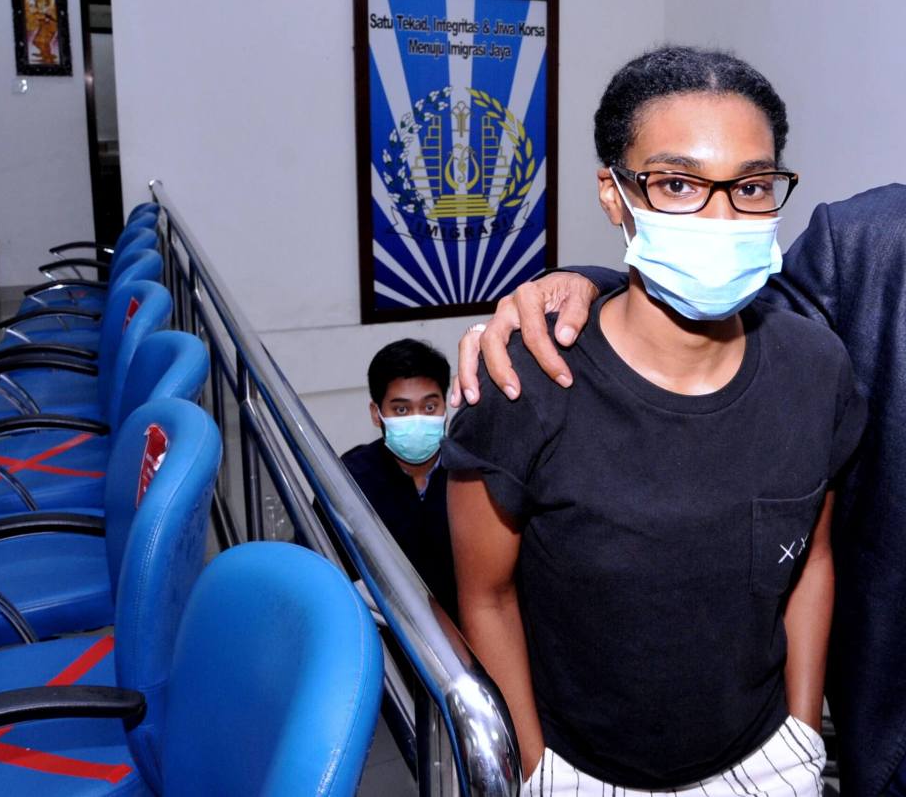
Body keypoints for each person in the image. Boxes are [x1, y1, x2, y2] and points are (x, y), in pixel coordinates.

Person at [443, 46, 866, 794]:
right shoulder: (525, 381)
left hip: (765, 756)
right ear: (615, 195)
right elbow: (486, 593)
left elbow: (813, 559)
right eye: (677, 184)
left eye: (752, 186)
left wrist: (801, 733)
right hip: (581, 768)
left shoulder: (815, 367)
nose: (721, 215)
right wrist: (537, 769)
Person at [341, 339, 459, 621]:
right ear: (376, 413)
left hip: (464, 637)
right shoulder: (351, 479)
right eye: (402, 410)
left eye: (430, 407)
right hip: (384, 637)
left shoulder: (470, 475)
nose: (417, 419)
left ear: (445, 405)